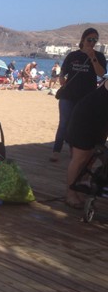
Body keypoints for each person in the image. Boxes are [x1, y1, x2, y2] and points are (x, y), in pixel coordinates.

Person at [50, 27, 107, 162]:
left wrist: (92, 57)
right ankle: (56, 150)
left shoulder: (99, 56)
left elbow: (101, 73)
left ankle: (73, 151)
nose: (92, 42)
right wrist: (62, 78)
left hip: (87, 98)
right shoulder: (73, 55)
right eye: (90, 39)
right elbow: (64, 70)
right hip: (68, 95)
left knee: (79, 125)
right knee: (64, 123)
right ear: (83, 39)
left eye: (95, 40)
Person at [64, 80, 108, 208]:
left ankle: (81, 188)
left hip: (101, 120)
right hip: (86, 117)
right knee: (80, 158)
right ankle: (70, 194)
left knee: (91, 158)